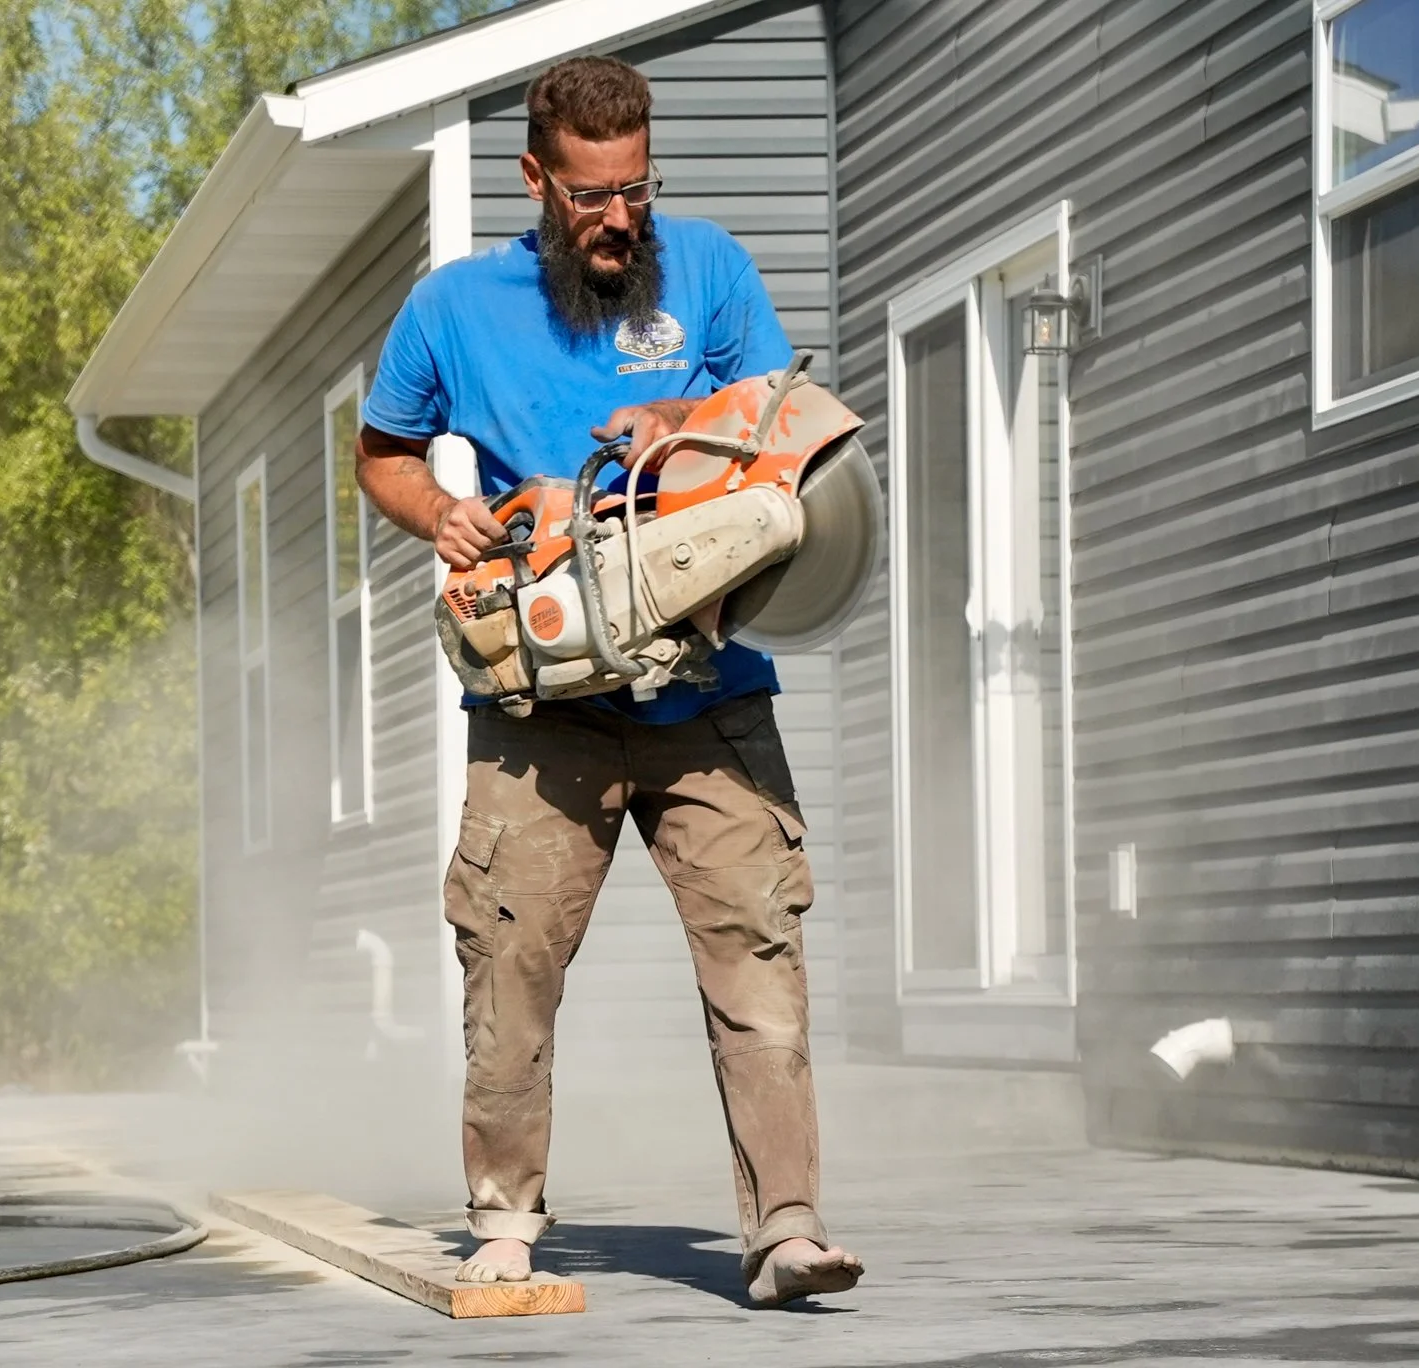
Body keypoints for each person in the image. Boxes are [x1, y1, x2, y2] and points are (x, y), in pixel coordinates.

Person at [354, 55, 862, 1309]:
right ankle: (505, 1220)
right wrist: (442, 515)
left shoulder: (711, 270)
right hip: (541, 710)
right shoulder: (452, 311)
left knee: (756, 948)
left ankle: (785, 1227)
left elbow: (782, 420)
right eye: (590, 196)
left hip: (708, 694)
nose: (618, 217)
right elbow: (381, 453)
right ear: (536, 179)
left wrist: (682, 430)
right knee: (509, 962)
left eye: (634, 188)